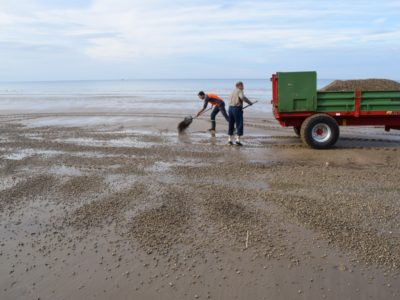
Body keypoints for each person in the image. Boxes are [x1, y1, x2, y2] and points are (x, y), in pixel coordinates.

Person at [228, 81, 254, 146]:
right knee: (239, 124)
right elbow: (242, 97)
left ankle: (229, 140)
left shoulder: (233, 91)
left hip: (230, 108)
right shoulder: (240, 91)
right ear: (239, 86)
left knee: (231, 124)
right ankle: (237, 140)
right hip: (236, 109)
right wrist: (250, 103)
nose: (243, 87)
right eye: (242, 86)